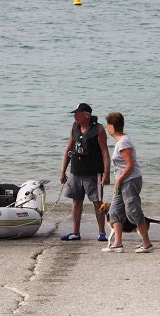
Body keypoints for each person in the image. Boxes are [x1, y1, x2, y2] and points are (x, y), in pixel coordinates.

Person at [103, 111, 153, 253]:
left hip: (129, 180)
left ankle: (147, 244)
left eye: (108, 126)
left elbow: (130, 165)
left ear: (112, 127)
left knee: (133, 211)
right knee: (114, 211)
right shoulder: (121, 141)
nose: (107, 129)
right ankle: (117, 243)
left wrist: (119, 180)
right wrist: (118, 181)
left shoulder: (124, 142)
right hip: (123, 180)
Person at [60, 103, 110, 241]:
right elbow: (68, 149)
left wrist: (107, 173)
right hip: (76, 171)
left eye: (78, 113)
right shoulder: (75, 127)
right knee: (76, 201)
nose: (75, 116)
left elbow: (105, 152)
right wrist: (63, 171)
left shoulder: (98, 129)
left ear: (87, 115)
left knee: (97, 202)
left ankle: (102, 233)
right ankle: (75, 232)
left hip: (93, 172)